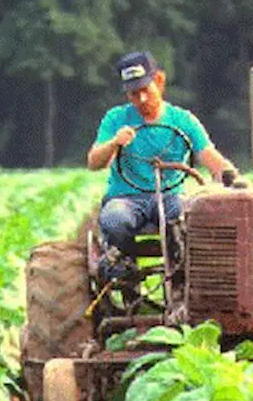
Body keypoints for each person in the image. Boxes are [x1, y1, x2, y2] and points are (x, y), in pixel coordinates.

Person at [86, 51, 243, 281]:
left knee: (187, 217)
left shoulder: (182, 120)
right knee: (115, 219)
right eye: (133, 94)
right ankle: (125, 271)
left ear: (159, 82)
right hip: (127, 197)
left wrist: (233, 178)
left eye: (145, 91)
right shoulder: (115, 119)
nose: (140, 100)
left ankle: (181, 273)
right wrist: (114, 143)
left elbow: (210, 157)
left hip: (170, 195)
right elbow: (93, 162)